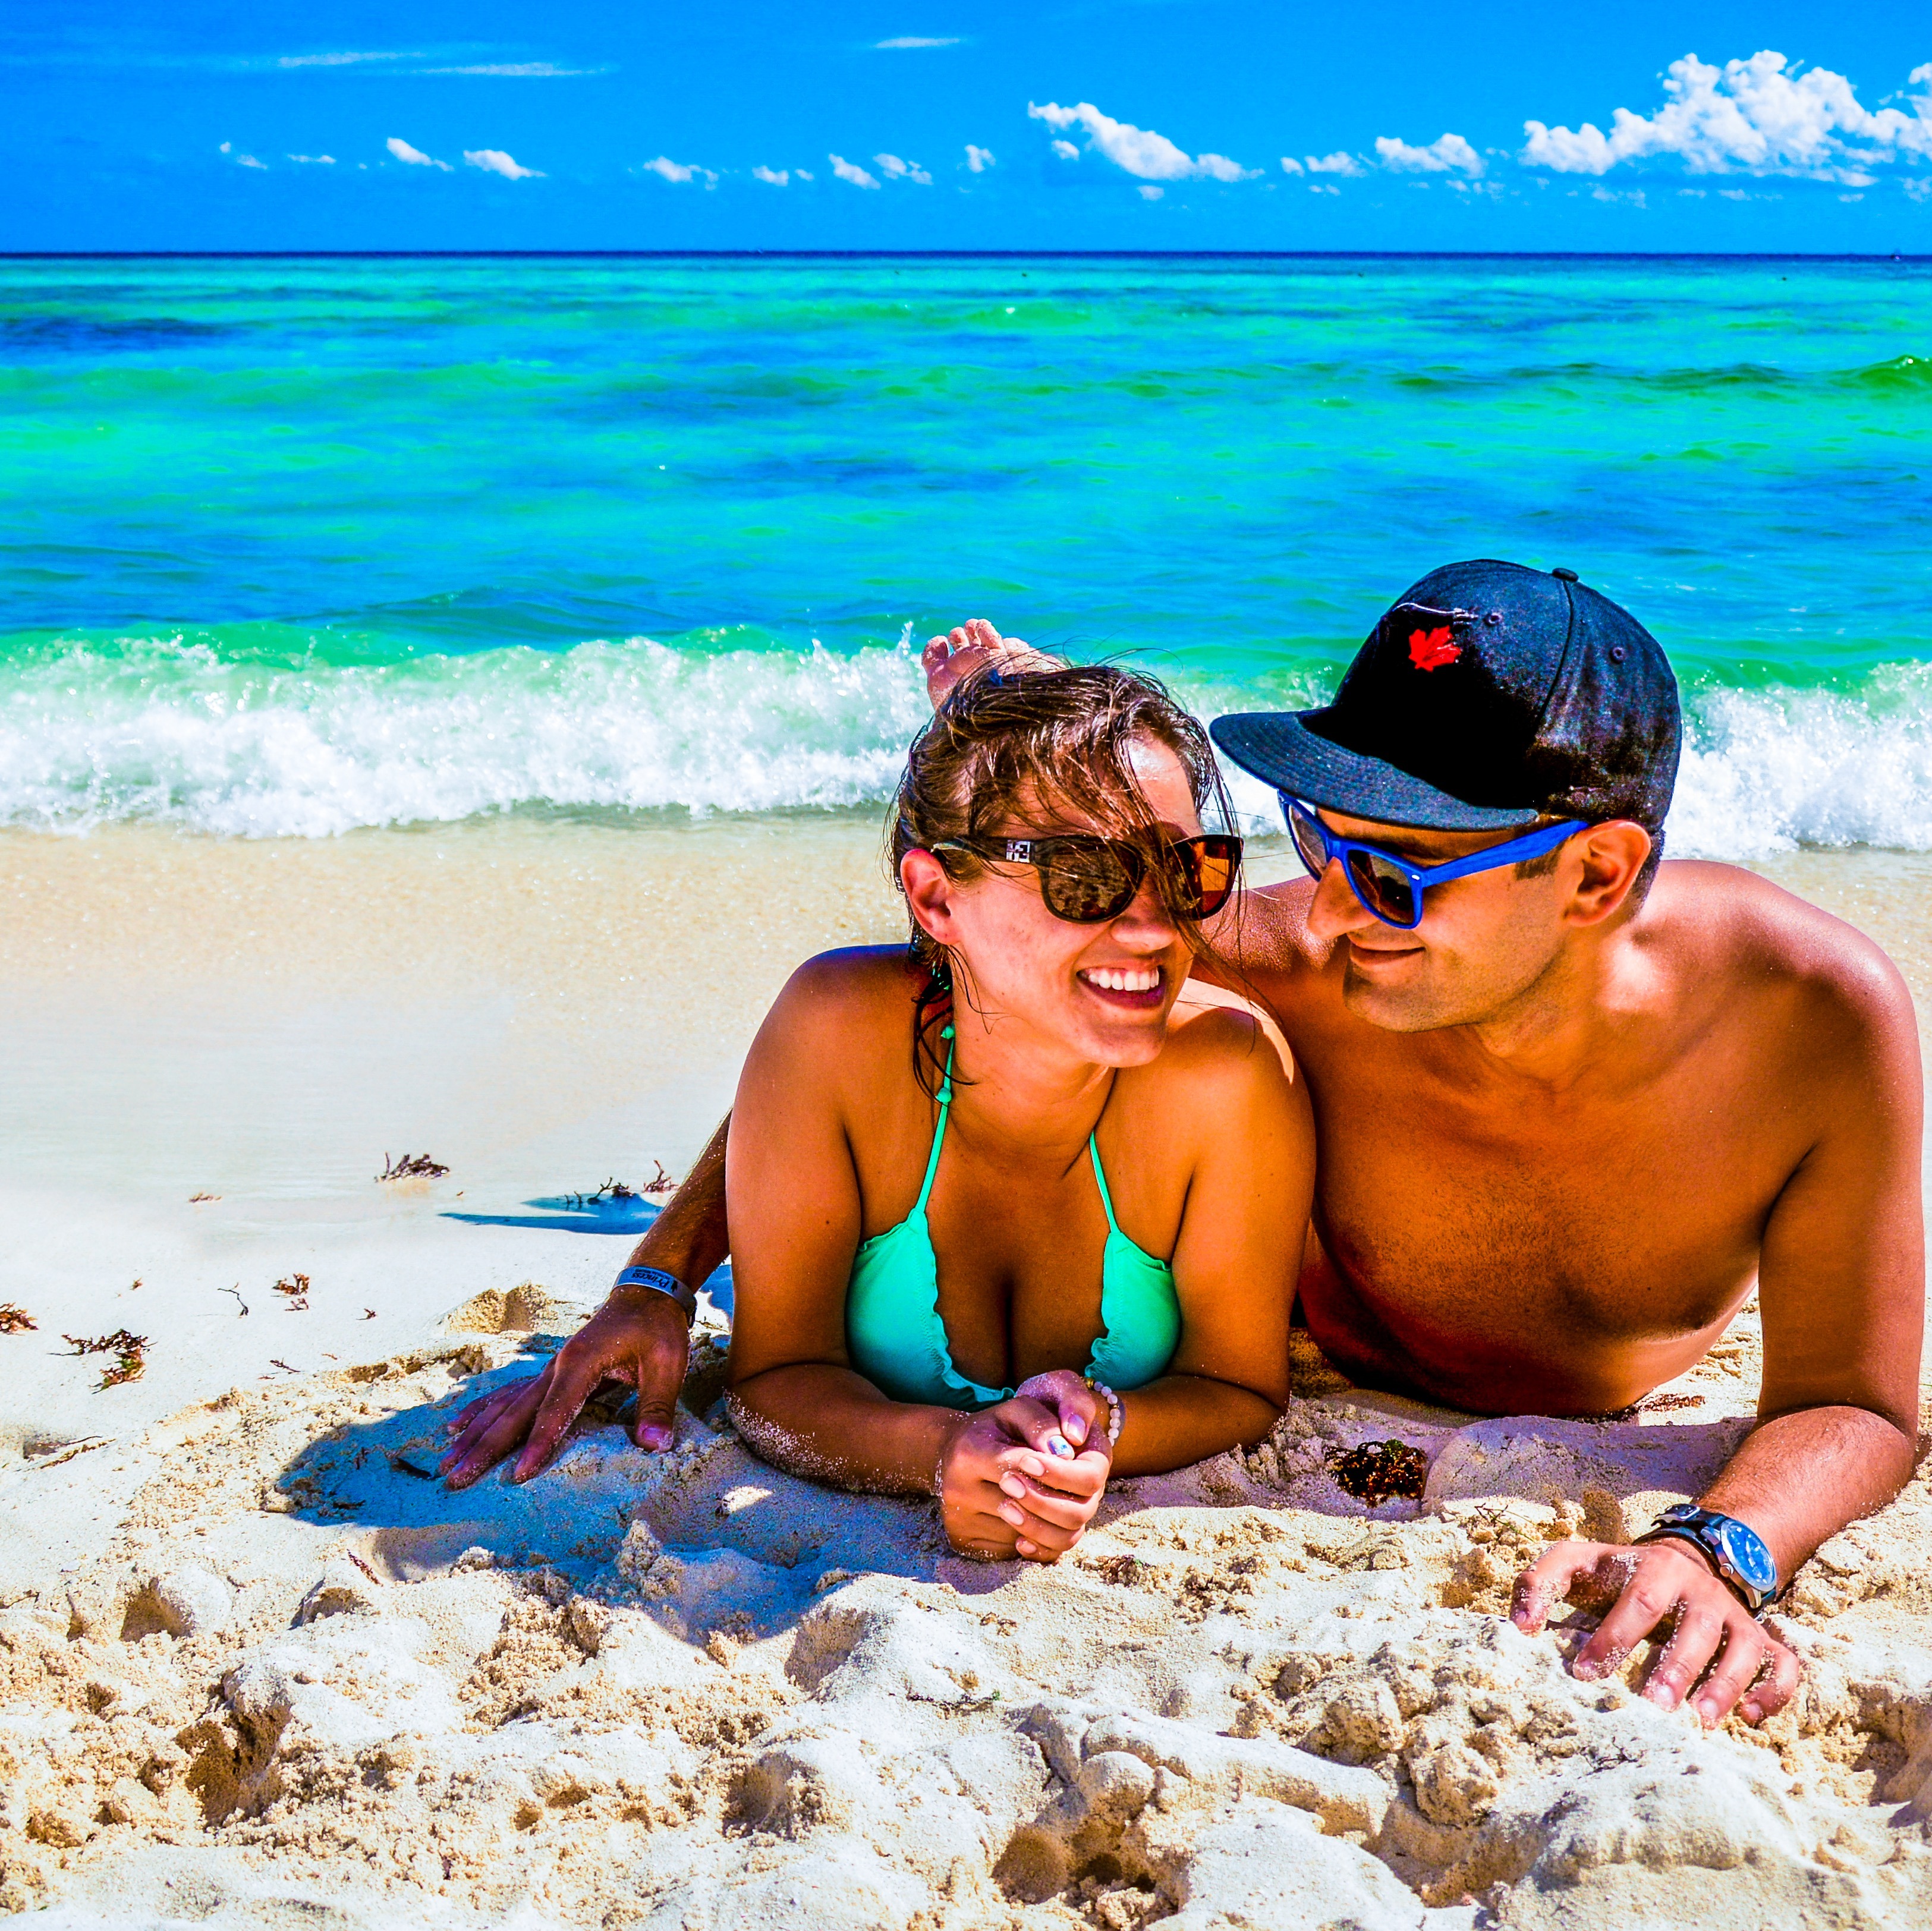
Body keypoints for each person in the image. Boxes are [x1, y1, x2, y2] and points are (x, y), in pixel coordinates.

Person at [443, 560, 1924, 1728]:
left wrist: (1718, 1548)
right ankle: (1016, 692)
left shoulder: (1807, 1024)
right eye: (1315, 831)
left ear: (1596, 869)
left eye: (1401, 872)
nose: (1331, 903)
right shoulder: (1304, 951)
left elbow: (1856, 1401)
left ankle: (1017, 683)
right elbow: (923, 1003)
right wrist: (658, 1272)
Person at [448, 666, 1310, 1562]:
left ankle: (997, 692)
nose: (1152, 924)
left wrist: (1100, 1434)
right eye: (1083, 874)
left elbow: (1238, 1386)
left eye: (1186, 868)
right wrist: (944, 1454)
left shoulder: (1230, 1076)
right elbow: (774, 1378)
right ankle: (986, 695)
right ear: (935, 896)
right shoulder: (833, 1034)